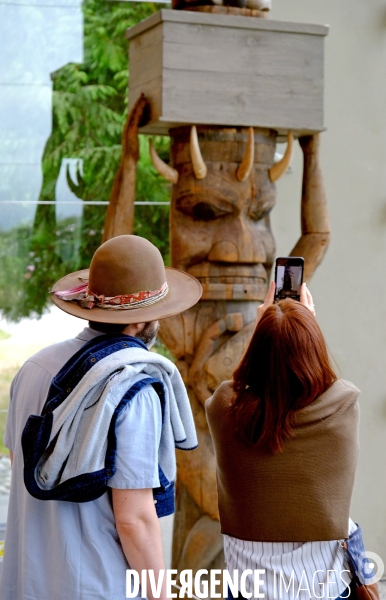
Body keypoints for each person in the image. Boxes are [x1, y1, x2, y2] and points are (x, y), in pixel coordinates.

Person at [0, 234, 202, 600]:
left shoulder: (33, 369)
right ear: (146, 319)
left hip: (25, 583)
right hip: (99, 587)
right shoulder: (133, 387)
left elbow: (21, 463)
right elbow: (134, 519)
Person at [206, 281, 360, 600]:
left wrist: (268, 326)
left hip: (250, 592)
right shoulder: (343, 406)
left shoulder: (224, 410)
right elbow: (327, 384)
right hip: (323, 589)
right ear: (314, 347)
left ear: (257, 348)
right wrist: (304, 326)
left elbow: (235, 386)